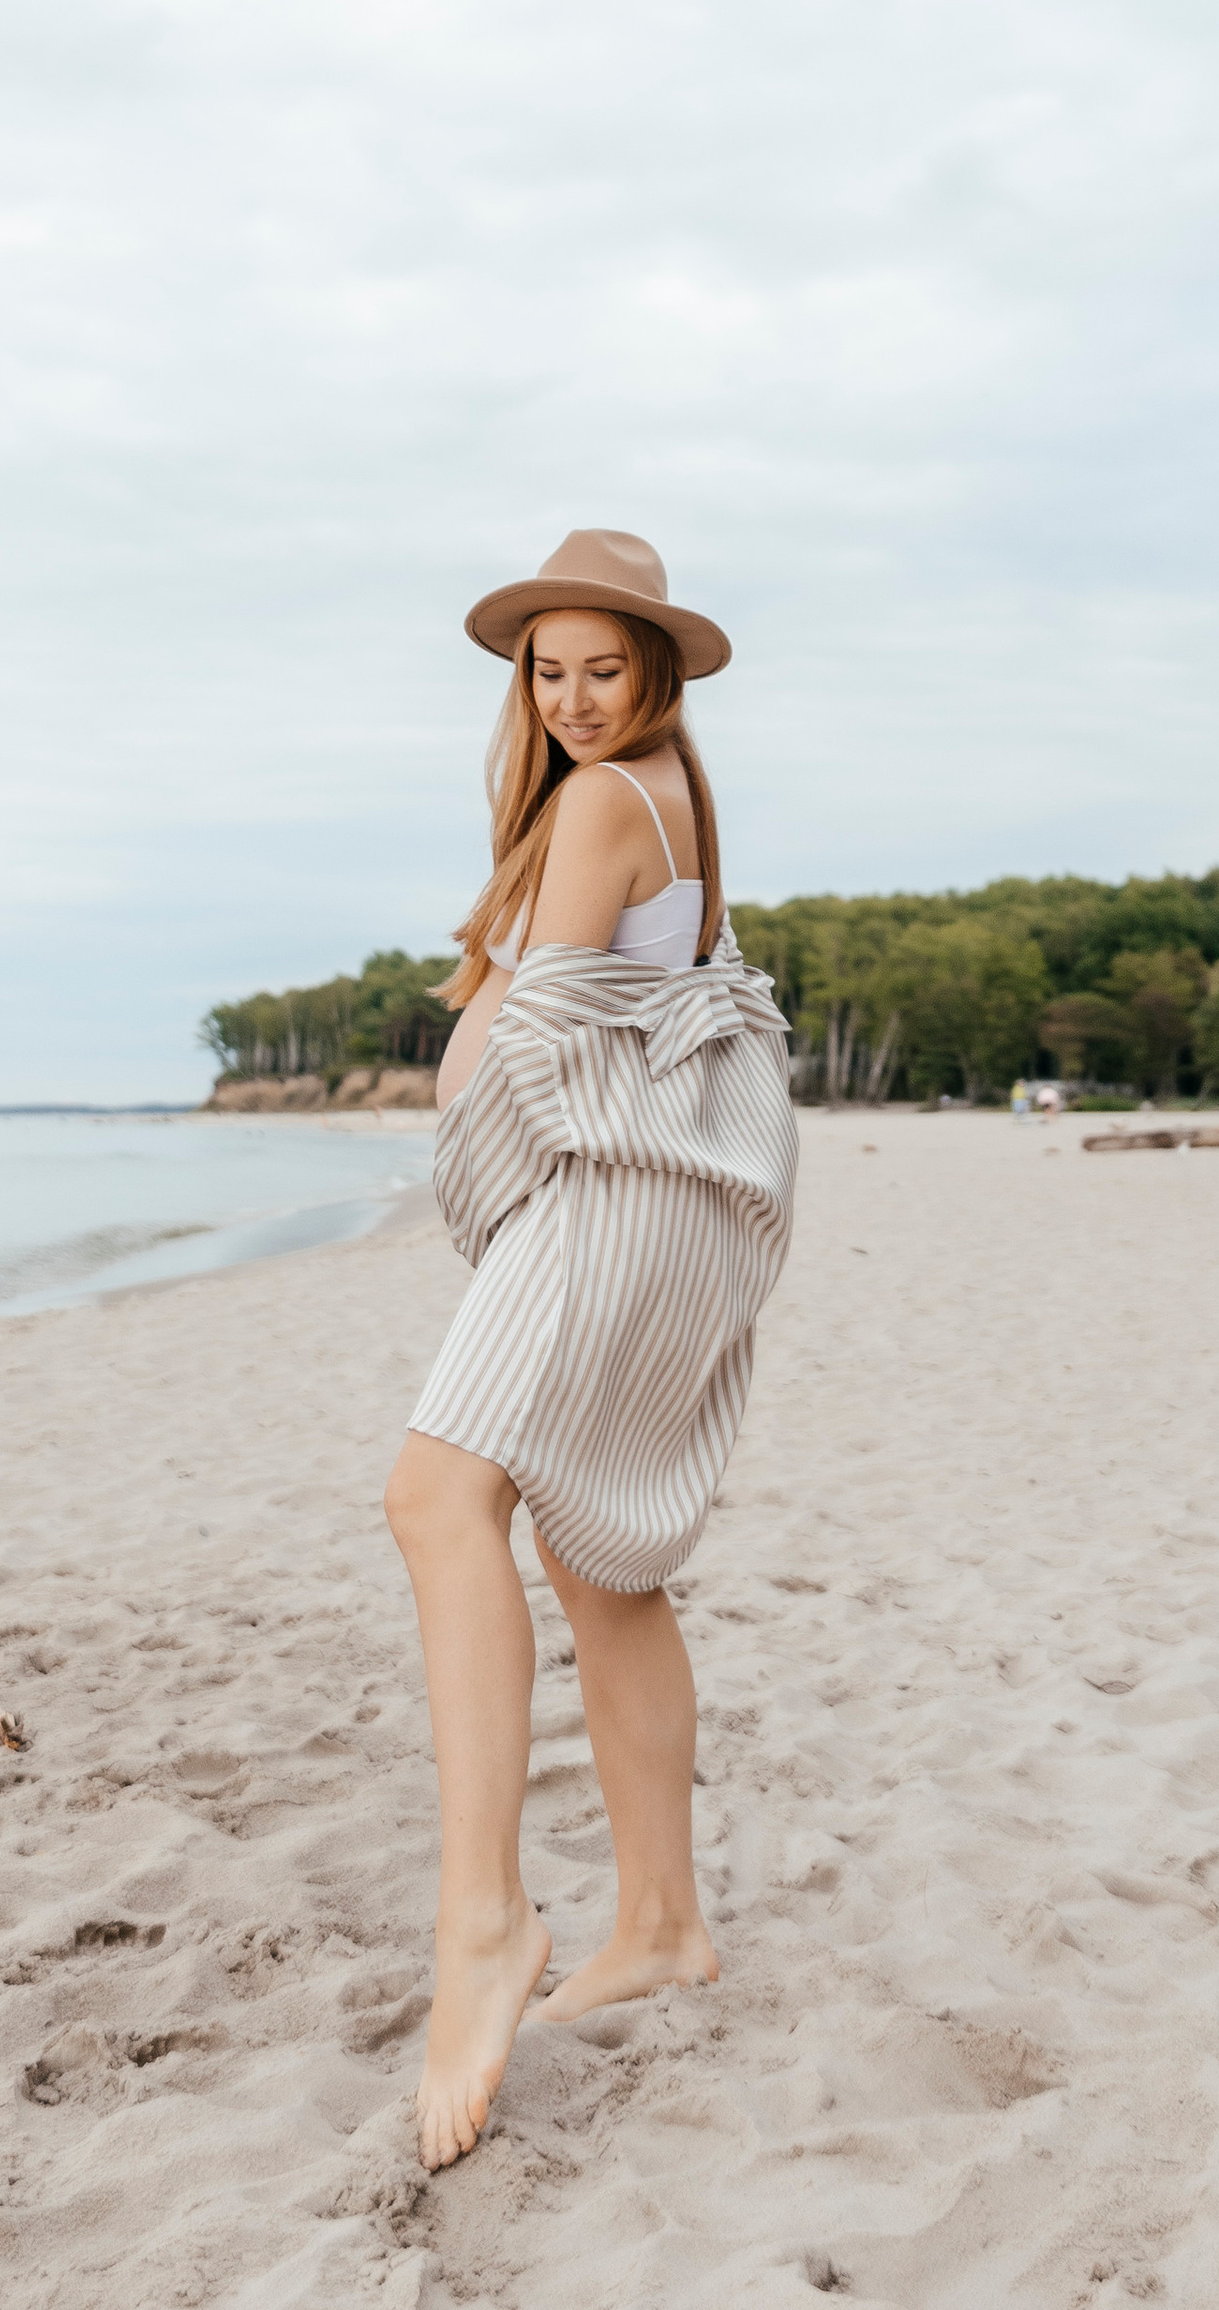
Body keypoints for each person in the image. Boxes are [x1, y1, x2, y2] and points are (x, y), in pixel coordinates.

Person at [382, 529, 799, 2174]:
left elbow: (525, 1027)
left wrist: (461, 1094)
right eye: (544, 674)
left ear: (660, 669)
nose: (570, 701)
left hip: (610, 1201)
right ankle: (663, 1923)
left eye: (601, 671)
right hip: (661, 1204)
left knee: (433, 1500)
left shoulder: (603, 806)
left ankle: (482, 1922)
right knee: (602, 1564)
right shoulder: (670, 797)